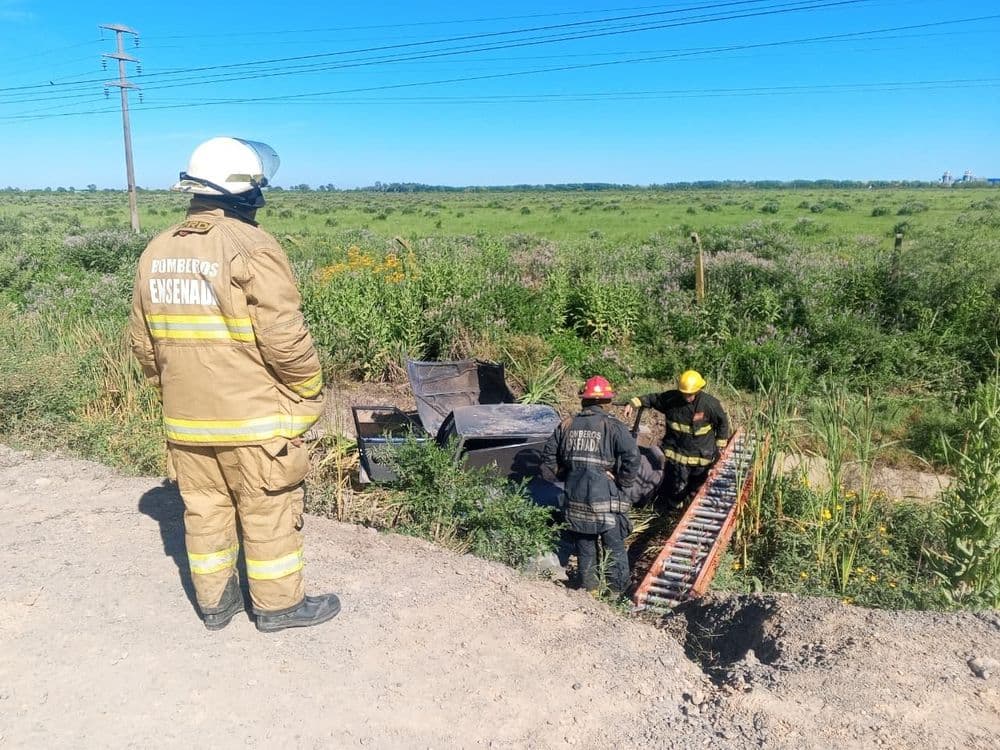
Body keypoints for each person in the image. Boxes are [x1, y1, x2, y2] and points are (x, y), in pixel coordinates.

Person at [129, 136, 340, 633]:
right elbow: (283, 337)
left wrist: (171, 393)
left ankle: (215, 606)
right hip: (252, 421)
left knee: (204, 513)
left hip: (186, 422)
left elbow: (143, 344)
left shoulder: (156, 250)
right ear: (241, 190)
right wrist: (308, 388)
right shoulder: (253, 246)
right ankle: (277, 606)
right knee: (267, 510)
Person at [542, 376, 640, 595]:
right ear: (606, 402)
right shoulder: (612, 426)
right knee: (614, 548)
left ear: (583, 401)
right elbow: (633, 456)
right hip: (606, 502)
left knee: (585, 546)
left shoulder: (566, 425)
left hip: (576, 501)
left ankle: (589, 592)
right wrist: (622, 481)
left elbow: (548, 460)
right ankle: (617, 594)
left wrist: (569, 474)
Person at [625, 369, 730, 512]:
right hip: (677, 456)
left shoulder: (709, 404)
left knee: (697, 488)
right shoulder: (671, 400)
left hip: (701, 457)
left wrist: (720, 446)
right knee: (676, 487)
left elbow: (723, 423)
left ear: (699, 389)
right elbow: (652, 399)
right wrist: (633, 403)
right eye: (685, 393)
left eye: (690, 394)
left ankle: (693, 510)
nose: (687, 396)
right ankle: (672, 513)